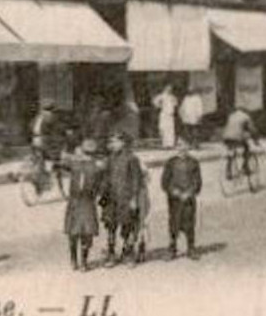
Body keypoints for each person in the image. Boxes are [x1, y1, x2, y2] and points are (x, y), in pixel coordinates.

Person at [102, 132, 146, 266]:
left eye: (115, 142)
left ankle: (128, 254)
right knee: (110, 227)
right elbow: (106, 178)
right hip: (111, 199)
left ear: (123, 143)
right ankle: (111, 255)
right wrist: (103, 195)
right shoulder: (109, 159)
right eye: (111, 142)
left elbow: (136, 181)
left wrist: (134, 199)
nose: (112, 145)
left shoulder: (132, 159)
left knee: (128, 227)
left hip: (126, 199)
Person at [63, 136, 104, 271]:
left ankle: (84, 261)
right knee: (73, 234)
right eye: (84, 152)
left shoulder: (96, 167)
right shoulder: (75, 164)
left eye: (88, 153)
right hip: (75, 201)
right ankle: (74, 260)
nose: (85, 156)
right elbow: (60, 164)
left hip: (87, 202)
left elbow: (101, 183)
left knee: (87, 233)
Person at [160, 138, 203, 259]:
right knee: (174, 223)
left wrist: (189, 192)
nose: (181, 148)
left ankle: (191, 248)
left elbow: (197, 182)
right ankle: (172, 248)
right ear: (175, 147)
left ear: (188, 146)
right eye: (178, 145)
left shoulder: (194, 162)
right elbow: (165, 181)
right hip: (174, 199)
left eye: (184, 145)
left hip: (188, 199)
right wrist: (173, 191)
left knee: (189, 222)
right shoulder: (170, 162)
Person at [221, 104, 258, 176]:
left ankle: (228, 170)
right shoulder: (246, 117)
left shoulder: (232, 116)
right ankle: (245, 166)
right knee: (247, 147)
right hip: (237, 138)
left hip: (226, 138)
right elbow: (252, 130)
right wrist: (256, 140)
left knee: (231, 151)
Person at [152, 84, 179, 149]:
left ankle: (171, 144)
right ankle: (165, 144)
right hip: (164, 114)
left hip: (170, 115)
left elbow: (175, 104)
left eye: (170, 89)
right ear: (165, 88)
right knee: (163, 129)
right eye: (168, 88)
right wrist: (159, 106)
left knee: (170, 130)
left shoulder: (172, 97)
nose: (169, 90)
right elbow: (155, 102)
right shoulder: (161, 96)